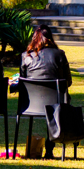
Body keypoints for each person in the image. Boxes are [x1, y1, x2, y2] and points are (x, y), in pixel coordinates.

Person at [20, 25, 72, 158]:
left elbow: (22, 81)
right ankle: (49, 149)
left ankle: (33, 149)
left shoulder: (26, 56)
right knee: (56, 110)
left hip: (31, 103)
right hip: (56, 103)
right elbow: (68, 82)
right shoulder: (60, 55)